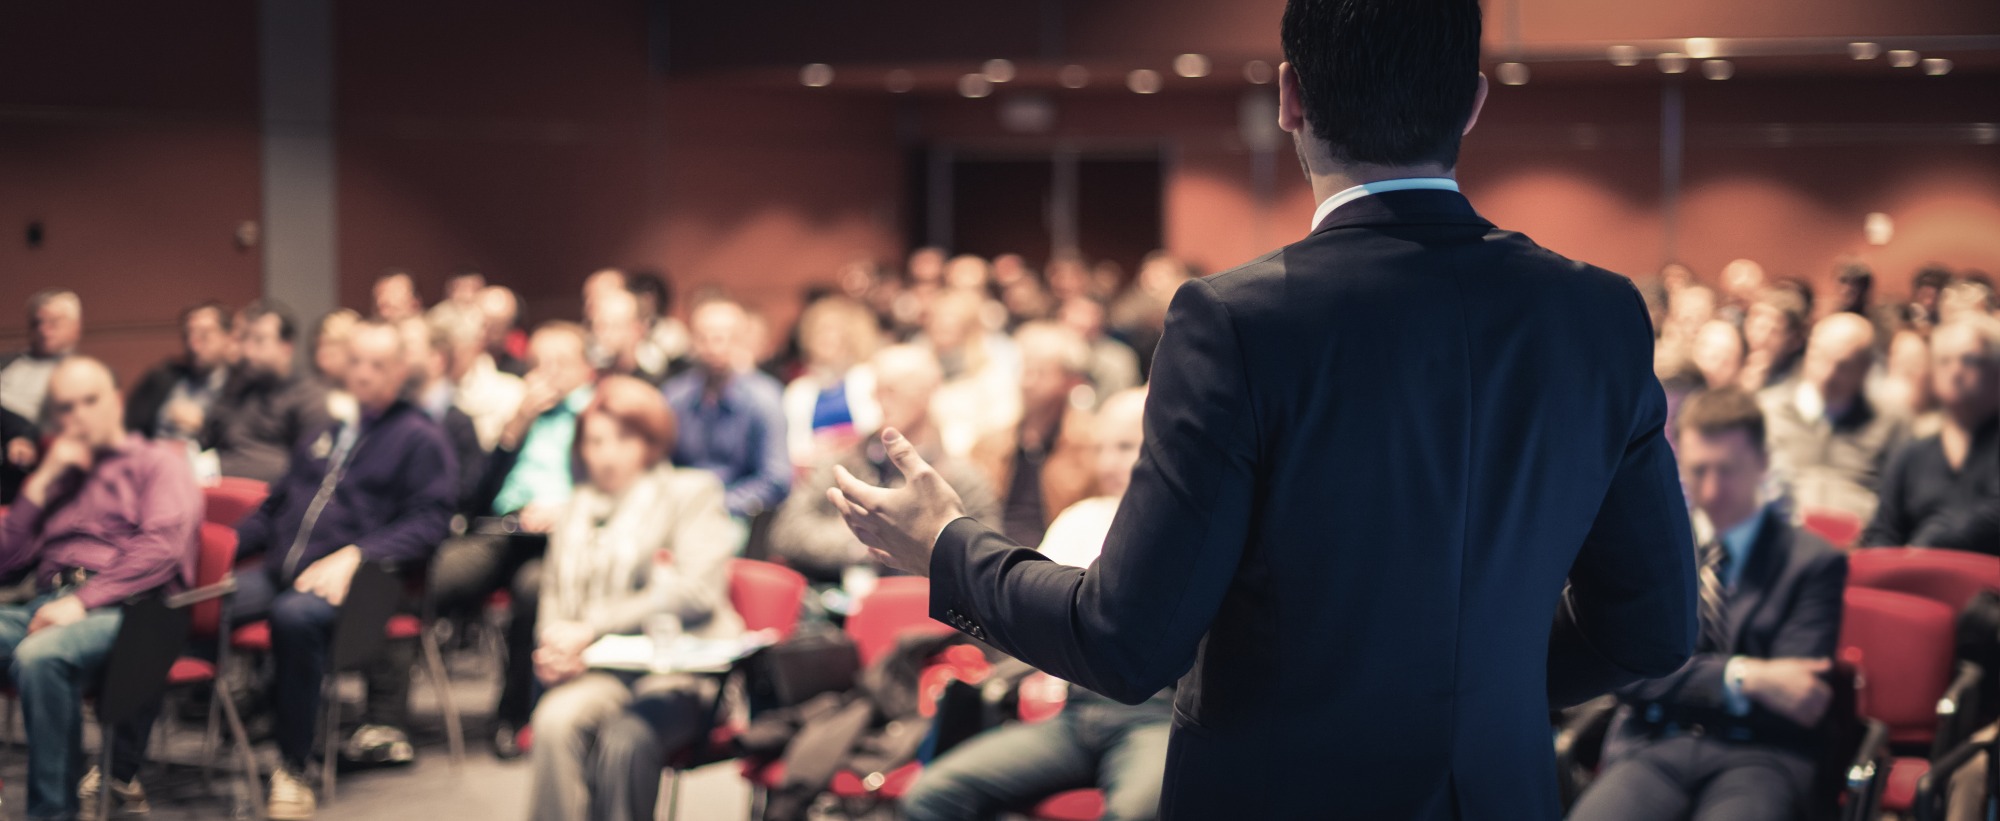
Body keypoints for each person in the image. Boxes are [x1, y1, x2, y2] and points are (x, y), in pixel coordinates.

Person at [824, 0, 1699, 815]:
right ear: (1472, 104)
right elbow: (1655, 630)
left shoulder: (1239, 322)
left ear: (1288, 96)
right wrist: (1475, 683)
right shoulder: (1597, 313)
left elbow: (1127, 641)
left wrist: (948, 546)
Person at [1569, 388, 1847, 821]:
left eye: (1728, 471)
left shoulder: (1814, 562)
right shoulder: (1655, 550)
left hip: (1759, 755)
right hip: (1655, 743)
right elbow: (1628, 675)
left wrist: (1682, 678)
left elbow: (1800, 697)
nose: (1713, 490)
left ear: (1762, 463)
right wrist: (1746, 676)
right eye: (1699, 471)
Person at [903, 387, 1169, 821]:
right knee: (930, 795)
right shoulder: (1082, 517)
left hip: (1153, 716)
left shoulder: (1185, 533)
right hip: (1077, 712)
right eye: (1100, 448)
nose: (1107, 463)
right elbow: (1026, 611)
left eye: (1124, 446)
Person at [230, 319, 457, 820]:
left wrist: (358, 555)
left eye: (377, 365)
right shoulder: (326, 430)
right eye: (355, 362)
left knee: (294, 618)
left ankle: (295, 766)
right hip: (280, 569)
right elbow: (276, 507)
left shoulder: (420, 437)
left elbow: (430, 522)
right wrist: (223, 546)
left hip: (365, 585)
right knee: (190, 602)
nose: (363, 374)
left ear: (400, 371)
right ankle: (126, 768)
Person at [524, 376, 744, 821]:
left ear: (651, 441)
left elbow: (694, 592)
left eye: (623, 439)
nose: (607, 454)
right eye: (595, 441)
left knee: (626, 738)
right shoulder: (576, 508)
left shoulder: (690, 493)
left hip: (678, 670)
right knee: (554, 719)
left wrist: (592, 626)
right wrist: (552, 647)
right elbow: (553, 597)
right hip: (600, 669)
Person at [0, 357, 201, 820]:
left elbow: (162, 548)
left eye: (88, 402)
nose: (77, 417)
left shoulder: (158, 463)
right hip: (51, 599)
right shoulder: (62, 476)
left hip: (133, 610)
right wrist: (44, 479)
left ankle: (53, 813)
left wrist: (82, 600)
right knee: (40, 645)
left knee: (40, 656)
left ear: (114, 403)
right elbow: (9, 561)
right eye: (65, 408)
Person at [433, 321, 597, 758]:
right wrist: (513, 429)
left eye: (561, 363)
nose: (549, 374)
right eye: (539, 364)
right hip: (503, 530)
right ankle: (380, 712)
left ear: (586, 368)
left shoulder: (597, 415)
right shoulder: (522, 414)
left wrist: (566, 511)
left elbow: (611, 490)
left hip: (563, 540)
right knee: (437, 575)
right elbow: (476, 496)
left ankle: (515, 715)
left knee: (532, 591)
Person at [770, 344, 998, 584]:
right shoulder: (843, 462)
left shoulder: (961, 478)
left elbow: (981, 560)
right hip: (832, 603)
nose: (879, 401)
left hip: (919, 610)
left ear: (929, 390)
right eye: (876, 391)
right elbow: (785, 532)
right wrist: (863, 541)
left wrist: (900, 541)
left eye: (892, 390)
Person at [1861, 315, 2000, 552]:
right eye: (1944, 361)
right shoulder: (1912, 454)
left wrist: (1927, 548)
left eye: (1970, 360)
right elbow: (1883, 532)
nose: (1955, 371)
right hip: (1914, 579)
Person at [1758, 312, 1909, 523]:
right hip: (1784, 541)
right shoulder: (1768, 409)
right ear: (1809, 351)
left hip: (1857, 543)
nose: (1828, 374)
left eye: (1843, 366)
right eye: (1823, 358)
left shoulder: (1890, 423)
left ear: (1865, 368)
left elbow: (1899, 502)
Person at [661, 298, 791, 521]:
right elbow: (658, 464)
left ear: (741, 341)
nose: (714, 347)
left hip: (735, 512)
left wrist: (718, 505)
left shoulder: (765, 398)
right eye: (704, 338)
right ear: (692, 340)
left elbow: (776, 479)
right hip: (679, 507)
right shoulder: (673, 396)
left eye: (724, 338)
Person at [971, 322, 1097, 548]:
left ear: (1071, 382)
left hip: (1058, 562)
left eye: (1040, 373)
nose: (1027, 382)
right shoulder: (988, 444)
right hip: (994, 557)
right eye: (1025, 370)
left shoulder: (1091, 445)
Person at [203, 300, 332, 484]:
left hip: (273, 503)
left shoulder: (310, 398)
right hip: (219, 495)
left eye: (259, 340)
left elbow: (309, 472)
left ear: (286, 346)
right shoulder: (239, 390)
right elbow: (208, 443)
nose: (247, 351)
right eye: (244, 339)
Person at [781, 295, 884, 470]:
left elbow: (875, 430)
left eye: (833, 330)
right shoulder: (798, 390)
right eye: (819, 331)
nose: (826, 338)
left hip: (866, 468)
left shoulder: (868, 378)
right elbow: (794, 449)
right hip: (815, 472)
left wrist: (837, 442)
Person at [125, 301, 235, 441]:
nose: (193, 345)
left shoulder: (242, 387)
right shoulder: (162, 377)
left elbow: (243, 444)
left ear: (228, 338)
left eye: (204, 335)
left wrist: (202, 425)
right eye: (188, 335)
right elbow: (131, 429)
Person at [437, 301, 525, 451]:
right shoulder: (422, 391)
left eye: (451, 350)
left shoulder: (511, 391)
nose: (441, 359)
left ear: (476, 345)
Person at [0, 289, 83, 427]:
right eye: (37, 323)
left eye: (53, 322)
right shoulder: (6, 363)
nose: (43, 330)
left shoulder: (85, 374)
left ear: (75, 327)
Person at [587, 287, 668, 386]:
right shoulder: (593, 379)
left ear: (638, 330)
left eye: (614, 326)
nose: (604, 334)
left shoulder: (656, 382)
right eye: (599, 326)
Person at [1737, 286, 1809, 393]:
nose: (1759, 339)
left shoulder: (1801, 383)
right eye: (1754, 325)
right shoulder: (1736, 359)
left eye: (1774, 331)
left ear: (1794, 341)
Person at [480, 285, 530, 376]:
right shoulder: (459, 364)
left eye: (499, 325)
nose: (490, 333)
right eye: (485, 324)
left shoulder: (519, 370)